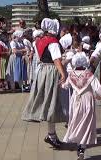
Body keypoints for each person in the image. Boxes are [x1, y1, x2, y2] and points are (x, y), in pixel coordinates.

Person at [22, 18, 66, 149]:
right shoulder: (53, 42)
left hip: (42, 71)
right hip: (51, 71)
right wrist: (63, 73)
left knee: (48, 101)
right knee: (52, 102)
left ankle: (52, 134)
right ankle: (51, 135)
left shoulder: (40, 41)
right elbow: (56, 59)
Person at [62, 52, 101, 160]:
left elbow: (65, 86)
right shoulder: (89, 74)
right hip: (87, 100)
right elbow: (98, 89)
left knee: (76, 121)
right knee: (86, 123)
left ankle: (78, 143)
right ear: (85, 62)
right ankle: (82, 147)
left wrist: (60, 83)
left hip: (75, 100)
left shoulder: (71, 74)